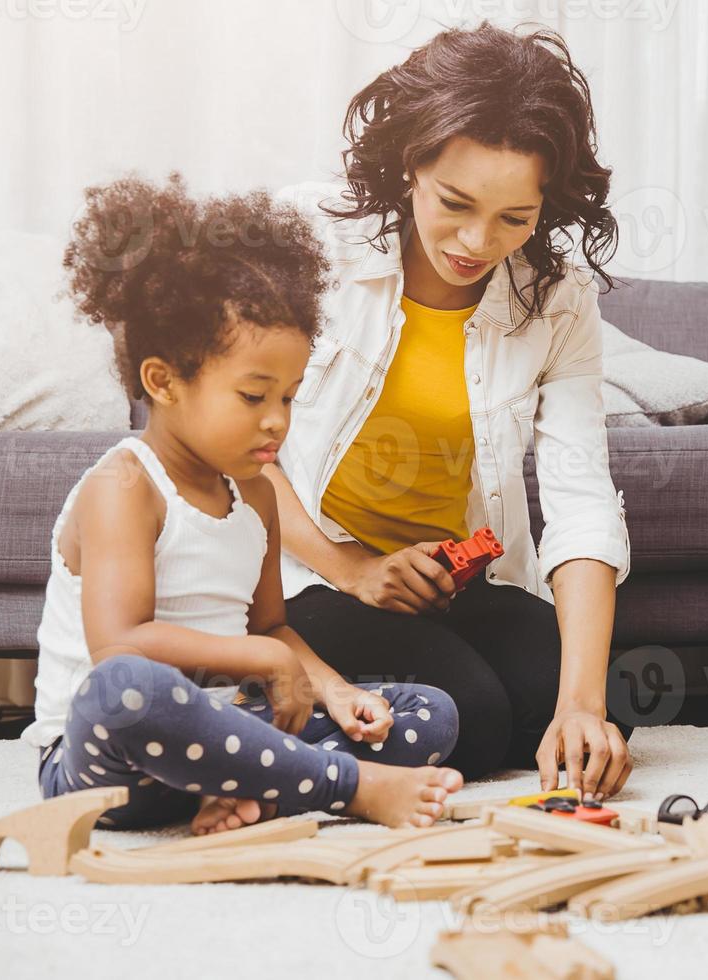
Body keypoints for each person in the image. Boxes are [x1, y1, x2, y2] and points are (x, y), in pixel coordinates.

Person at [20, 174, 464, 834]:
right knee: (125, 694)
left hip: (221, 731)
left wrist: (336, 690)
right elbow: (118, 647)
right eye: (254, 397)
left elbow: (271, 629)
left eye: (288, 396)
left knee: (429, 712)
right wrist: (267, 662)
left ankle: (245, 789)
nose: (277, 421)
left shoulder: (256, 495)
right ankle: (347, 786)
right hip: (111, 761)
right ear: (163, 381)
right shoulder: (124, 488)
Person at [264, 23, 632, 799]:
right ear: (410, 165)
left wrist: (582, 706)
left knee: (598, 704)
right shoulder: (310, 236)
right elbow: (228, 442)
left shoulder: (558, 298)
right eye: (455, 203)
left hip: (447, 585)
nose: (475, 242)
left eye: (514, 218)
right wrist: (353, 569)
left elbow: (580, 496)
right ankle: (257, 695)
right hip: (307, 574)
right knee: (475, 718)